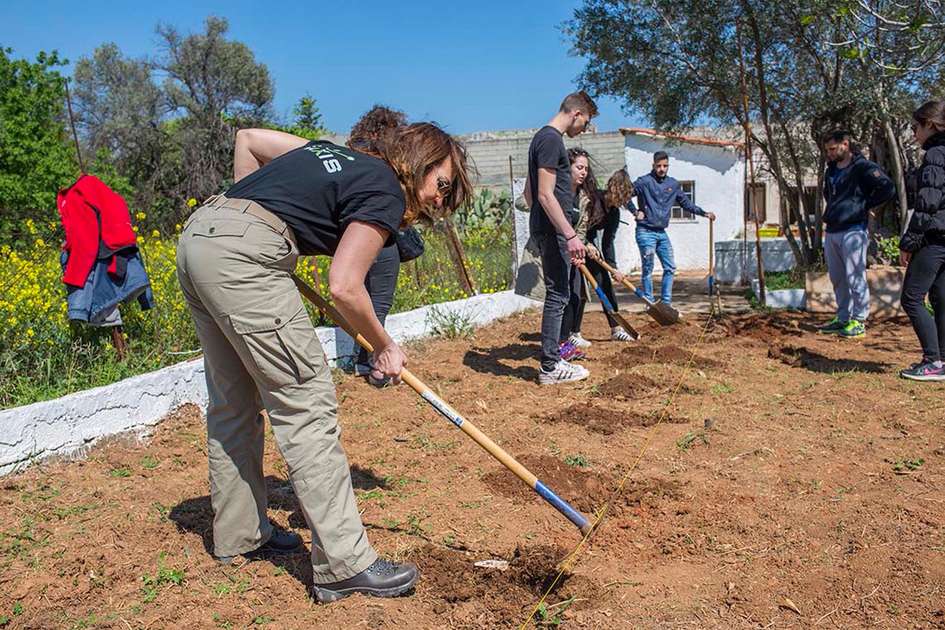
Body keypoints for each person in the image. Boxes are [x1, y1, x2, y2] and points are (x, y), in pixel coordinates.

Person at [175, 121, 472, 602]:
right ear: (422, 157)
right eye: (443, 183)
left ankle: (241, 536)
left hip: (202, 237)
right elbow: (345, 286)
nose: (441, 200)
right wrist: (384, 345)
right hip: (242, 256)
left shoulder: (337, 156)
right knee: (307, 404)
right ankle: (345, 565)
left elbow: (247, 139)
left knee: (233, 401)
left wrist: (245, 218)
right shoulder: (386, 190)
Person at [523, 90, 598, 385]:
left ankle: (554, 359)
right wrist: (569, 234)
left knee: (559, 292)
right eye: (586, 122)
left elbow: (530, 194)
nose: (584, 129)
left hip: (547, 227)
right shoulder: (553, 140)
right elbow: (543, 193)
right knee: (558, 294)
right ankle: (550, 367)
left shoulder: (540, 138)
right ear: (576, 113)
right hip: (555, 230)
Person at [345, 105, 410, 387]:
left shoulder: (350, 155)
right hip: (379, 235)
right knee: (379, 301)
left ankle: (365, 358)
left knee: (363, 296)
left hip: (351, 235)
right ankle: (374, 364)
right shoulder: (385, 162)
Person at [817, 131, 896, 338]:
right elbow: (829, 194)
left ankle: (859, 320)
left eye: (833, 149)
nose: (830, 153)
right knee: (837, 277)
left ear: (845, 144)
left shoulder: (863, 167)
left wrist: (865, 205)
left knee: (855, 276)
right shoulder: (831, 170)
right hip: (833, 229)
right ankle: (843, 317)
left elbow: (887, 187)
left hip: (854, 230)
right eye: (827, 150)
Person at [899, 100, 945, 381]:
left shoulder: (936, 155)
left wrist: (909, 241)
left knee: (912, 298)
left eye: (916, 126)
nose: (914, 133)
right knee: (941, 298)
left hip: (934, 237)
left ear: (930, 124)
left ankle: (933, 360)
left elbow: (928, 202)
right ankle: (942, 361)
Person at [633, 151, 715, 306]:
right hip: (645, 231)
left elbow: (686, 204)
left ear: (668, 166)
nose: (662, 169)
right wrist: (635, 211)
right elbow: (623, 194)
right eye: (659, 166)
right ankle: (649, 302)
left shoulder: (673, 184)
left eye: (665, 166)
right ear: (653, 165)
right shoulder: (644, 182)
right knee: (648, 267)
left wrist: (704, 213)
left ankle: (665, 304)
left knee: (670, 267)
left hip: (661, 232)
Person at [586, 169, 636, 342]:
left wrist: (613, 268)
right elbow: (579, 224)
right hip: (572, 242)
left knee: (605, 284)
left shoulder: (614, 212)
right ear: (612, 189)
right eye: (619, 196)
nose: (620, 202)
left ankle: (616, 328)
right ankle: (572, 333)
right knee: (577, 291)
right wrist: (587, 242)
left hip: (590, 248)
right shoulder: (593, 199)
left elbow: (608, 242)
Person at [557, 147, 598, 360]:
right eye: (579, 167)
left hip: (574, 255)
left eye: (586, 169)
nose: (583, 172)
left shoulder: (582, 198)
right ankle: (557, 346)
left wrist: (585, 245)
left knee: (575, 296)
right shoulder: (557, 193)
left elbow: (580, 230)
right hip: (556, 253)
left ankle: (565, 343)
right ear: (568, 167)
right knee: (561, 299)